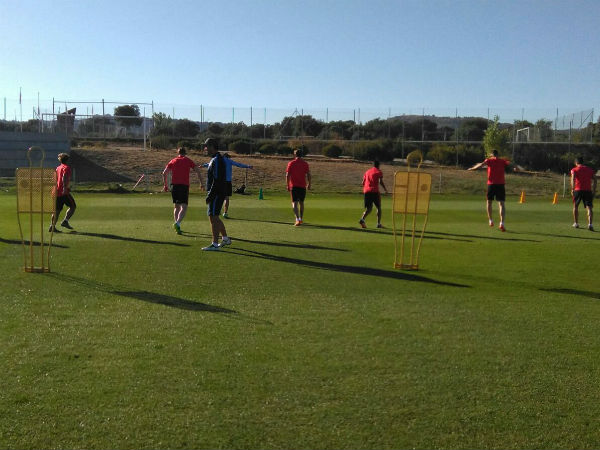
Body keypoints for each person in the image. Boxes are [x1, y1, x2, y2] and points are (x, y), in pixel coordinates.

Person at [468, 149, 518, 232]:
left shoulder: (489, 160)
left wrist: (472, 169)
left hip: (491, 184)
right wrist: (516, 168)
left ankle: (490, 220)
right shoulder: (502, 161)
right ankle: (502, 223)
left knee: (489, 202)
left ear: (492, 154)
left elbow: (481, 165)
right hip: (500, 185)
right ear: (497, 154)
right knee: (501, 204)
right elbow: (512, 164)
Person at [162, 147, 203, 235]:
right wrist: (201, 183)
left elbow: (164, 173)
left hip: (174, 186)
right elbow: (198, 171)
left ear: (178, 153)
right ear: (185, 153)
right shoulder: (188, 160)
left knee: (176, 206)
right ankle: (177, 223)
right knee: (184, 207)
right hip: (184, 186)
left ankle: (177, 225)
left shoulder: (173, 160)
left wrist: (165, 185)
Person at [203, 153, 253, 218]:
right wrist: (248, 166)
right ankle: (225, 212)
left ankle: (216, 210)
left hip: (220, 181)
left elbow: (210, 164)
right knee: (226, 198)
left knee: (217, 196)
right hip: (227, 182)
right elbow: (238, 164)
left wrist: (203, 165)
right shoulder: (229, 161)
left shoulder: (218, 160)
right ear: (228, 157)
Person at [202, 138, 231, 250]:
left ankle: (214, 244)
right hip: (216, 192)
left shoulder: (217, 160)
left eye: (206, 146)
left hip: (217, 193)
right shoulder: (214, 159)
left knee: (213, 217)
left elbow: (217, 180)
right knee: (214, 217)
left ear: (212, 146)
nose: (205, 149)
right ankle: (225, 238)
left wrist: (211, 195)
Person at [50, 152, 76, 232]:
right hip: (63, 192)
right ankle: (65, 221)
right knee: (73, 206)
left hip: (56, 191)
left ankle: (52, 226)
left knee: (57, 210)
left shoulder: (58, 168)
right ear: (67, 160)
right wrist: (65, 187)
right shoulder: (66, 168)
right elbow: (64, 177)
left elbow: (55, 179)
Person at [570, 156, 597, 231]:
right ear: (583, 162)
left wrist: (572, 189)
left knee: (575, 206)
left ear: (576, 162)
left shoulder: (574, 169)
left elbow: (573, 178)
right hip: (588, 190)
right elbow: (595, 179)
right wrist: (594, 190)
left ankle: (576, 223)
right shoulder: (590, 170)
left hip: (578, 190)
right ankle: (590, 224)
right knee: (589, 207)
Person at [285, 148, 311, 226]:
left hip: (294, 186)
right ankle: (301, 219)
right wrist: (309, 184)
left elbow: (287, 175)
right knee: (301, 203)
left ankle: (297, 219)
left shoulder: (291, 163)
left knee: (294, 203)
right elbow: (308, 174)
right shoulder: (305, 164)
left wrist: (287, 185)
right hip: (302, 186)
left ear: (295, 154)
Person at [359, 160, 388, 228]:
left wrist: (367, 188)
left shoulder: (367, 172)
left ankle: (362, 219)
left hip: (367, 191)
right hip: (374, 191)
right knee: (378, 207)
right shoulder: (378, 171)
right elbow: (380, 181)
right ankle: (378, 224)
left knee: (369, 208)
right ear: (379, 165)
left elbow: (363, 183)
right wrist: (385, 189)